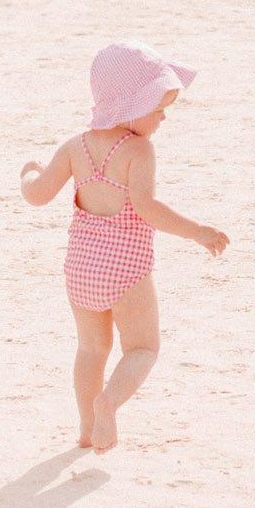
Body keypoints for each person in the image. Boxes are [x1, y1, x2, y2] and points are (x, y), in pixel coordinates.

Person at [20, 41, 229, 452]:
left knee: (91, 349)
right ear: (132, 106)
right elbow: (147, 209)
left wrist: (29, 173)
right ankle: (109, 404)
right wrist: (197, 231)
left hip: (80, 271)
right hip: (126, 271)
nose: (164, 116)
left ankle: (86, 428)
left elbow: (38, 195)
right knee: (143, 347)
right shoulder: (138, 150)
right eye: (159, 107)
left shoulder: (74, 146)